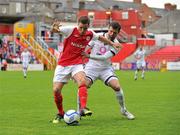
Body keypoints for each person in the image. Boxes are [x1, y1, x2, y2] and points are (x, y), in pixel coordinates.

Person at [50, 16, 121, 123]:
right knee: (56, 90)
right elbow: (55, 30)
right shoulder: (70, 30)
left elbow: (100, 38)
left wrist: (112, 43)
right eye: (81, 28)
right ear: (77, 24)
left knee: (82, 82)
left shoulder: (90, 33)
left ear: (88, 26)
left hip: (77, 63)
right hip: (63, 64)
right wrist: (53, 28)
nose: (83, 31)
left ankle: (82, 108)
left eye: (85, 28)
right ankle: (60, 113)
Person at [80, 21, 135, 120]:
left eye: (114, 32)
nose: (112, 34)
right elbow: (88, 45)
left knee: (117, 87)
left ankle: (123, 110)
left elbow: (105, 57)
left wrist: (88, 55)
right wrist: (83, 51)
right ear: (108, 29)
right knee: (83, 85)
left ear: (118, 33)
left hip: (105, 68)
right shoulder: (98, 36)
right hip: (91, 67)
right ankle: (79, 110)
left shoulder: (117, 45)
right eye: (110, 31)